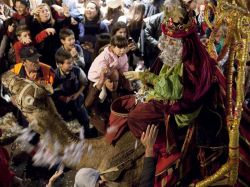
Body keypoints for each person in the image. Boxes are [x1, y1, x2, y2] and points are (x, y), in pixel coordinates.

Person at [124, 0, 228, 183]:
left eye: (170, 39)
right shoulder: (181, 50)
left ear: (181, 40)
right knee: (131, 101)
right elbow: (163, 72)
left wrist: (145, 78)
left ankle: (164, 148)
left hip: (182, 106)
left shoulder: (189, 60)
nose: (165, 42)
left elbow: (173, 90)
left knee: (135, 117)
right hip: (170, 93)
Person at [53, 48, 92, 138]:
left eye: (72, 62)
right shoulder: (54, 75)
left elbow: (84, 83)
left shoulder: (77, 71)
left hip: (76, 99)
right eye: (68, 63)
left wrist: (77, 94)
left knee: (85, 120)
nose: (71, 64)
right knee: (60, 123)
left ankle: (89, 138)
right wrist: (62, 98)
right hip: (61, 102)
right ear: (59, 64)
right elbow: (51, 91)